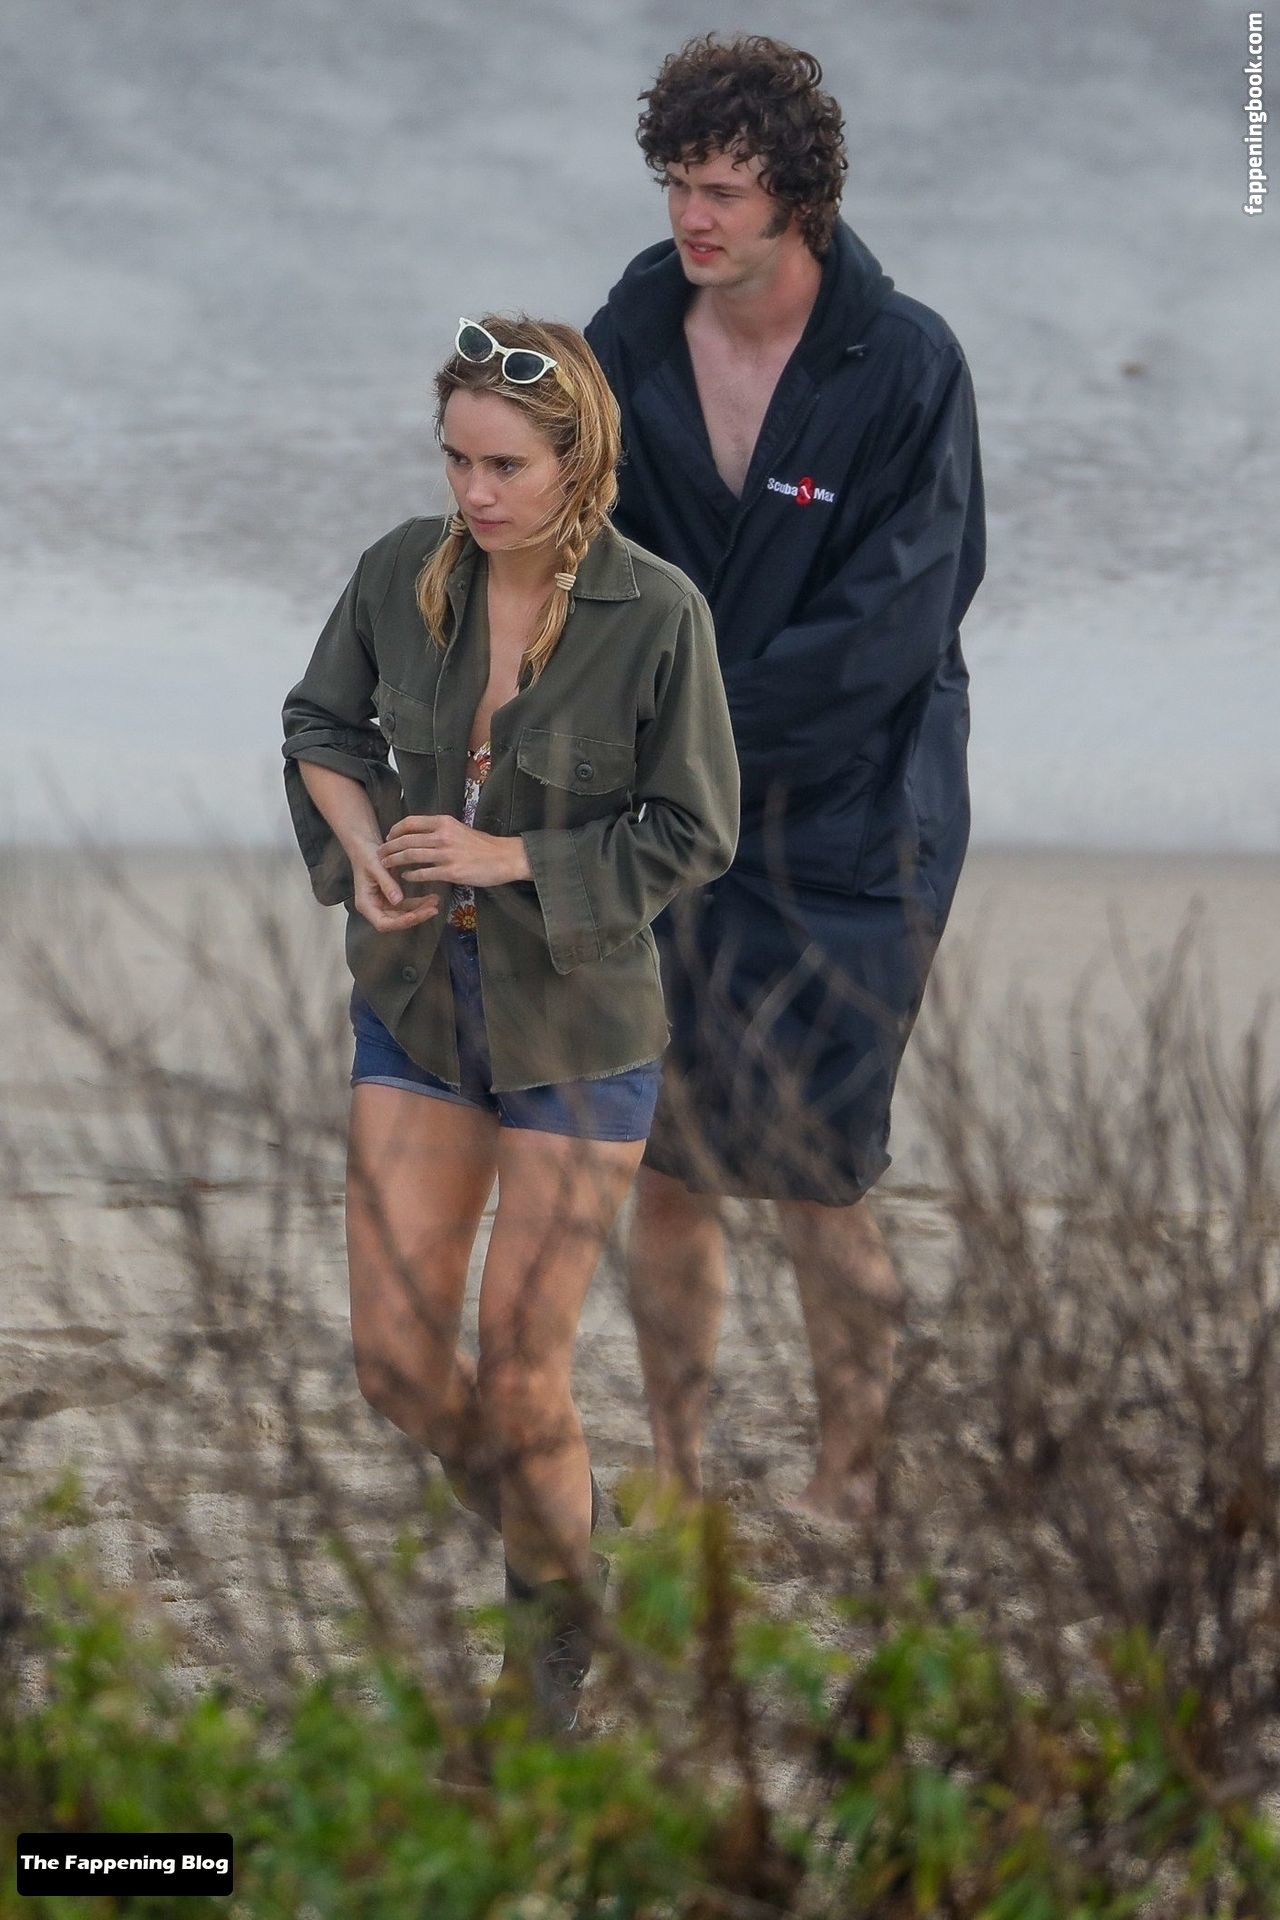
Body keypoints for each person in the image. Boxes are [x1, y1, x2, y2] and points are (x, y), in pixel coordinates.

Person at [280, 315, 739, 1731]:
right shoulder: (397, 575)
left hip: (579, 1027)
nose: (474, 495)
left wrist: (509, 857)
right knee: (395, 1365)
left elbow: (696, 829)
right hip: (417, 1005)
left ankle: (540, 1679)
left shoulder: (657, 613)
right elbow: (320, 728)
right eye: (456, 461)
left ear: (576, 462)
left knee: (523, 1362)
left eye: (504, 467)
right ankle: (571, 1541)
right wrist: (360, 846)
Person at [584, 34, 986, 1523]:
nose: (693, 218)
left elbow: (897, 622)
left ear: (799, 200)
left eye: (727, 193)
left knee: (822, 1174)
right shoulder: (624, 342)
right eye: (680, 184)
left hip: (859, 822)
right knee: (667, 1166)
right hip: (674, 826)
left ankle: (850, 1479)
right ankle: (677, 1475)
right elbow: (578, 566)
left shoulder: (909, 364)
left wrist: (687, 731)